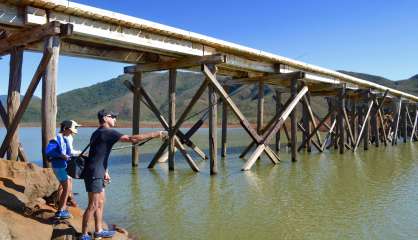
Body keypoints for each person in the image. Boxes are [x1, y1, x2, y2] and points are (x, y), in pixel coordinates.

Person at [80, 109, 167, 240]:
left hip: (98, 171)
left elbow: (98, 154)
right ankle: (84, 234)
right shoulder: (107, 132)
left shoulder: (97, 132)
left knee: (101, 202)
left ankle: (98, 230)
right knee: (93, 204)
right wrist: (156, 134)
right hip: (94, 173)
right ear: (104, 118)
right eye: (113, 116)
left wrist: (106, 171)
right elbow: (132, 139)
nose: (115, 119)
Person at [51, 120, 80, 219]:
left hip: (63, 166)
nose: (72, 132)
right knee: (66, 187)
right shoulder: (57, 138)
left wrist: (80, 153)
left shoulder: (66, 138)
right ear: (66, 128)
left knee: (67, 187)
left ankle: (61, 207)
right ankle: (60, 211)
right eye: (71, 130)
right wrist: (61, 156)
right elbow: (48, 151)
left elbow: (70, 152)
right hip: (59, 166)